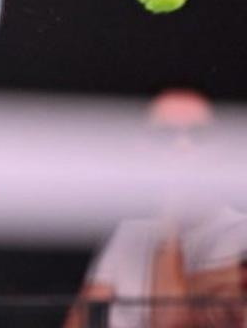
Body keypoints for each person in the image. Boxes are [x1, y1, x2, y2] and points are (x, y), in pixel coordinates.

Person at [62, 89, 247, 328]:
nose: (183, 146)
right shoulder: (129, 233)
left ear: (221, 149)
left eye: (199, 135)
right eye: (165, 136)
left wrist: (170, 222)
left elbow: (170, 323)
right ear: (143, 149)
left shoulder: (241, 234)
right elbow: (78, 323)